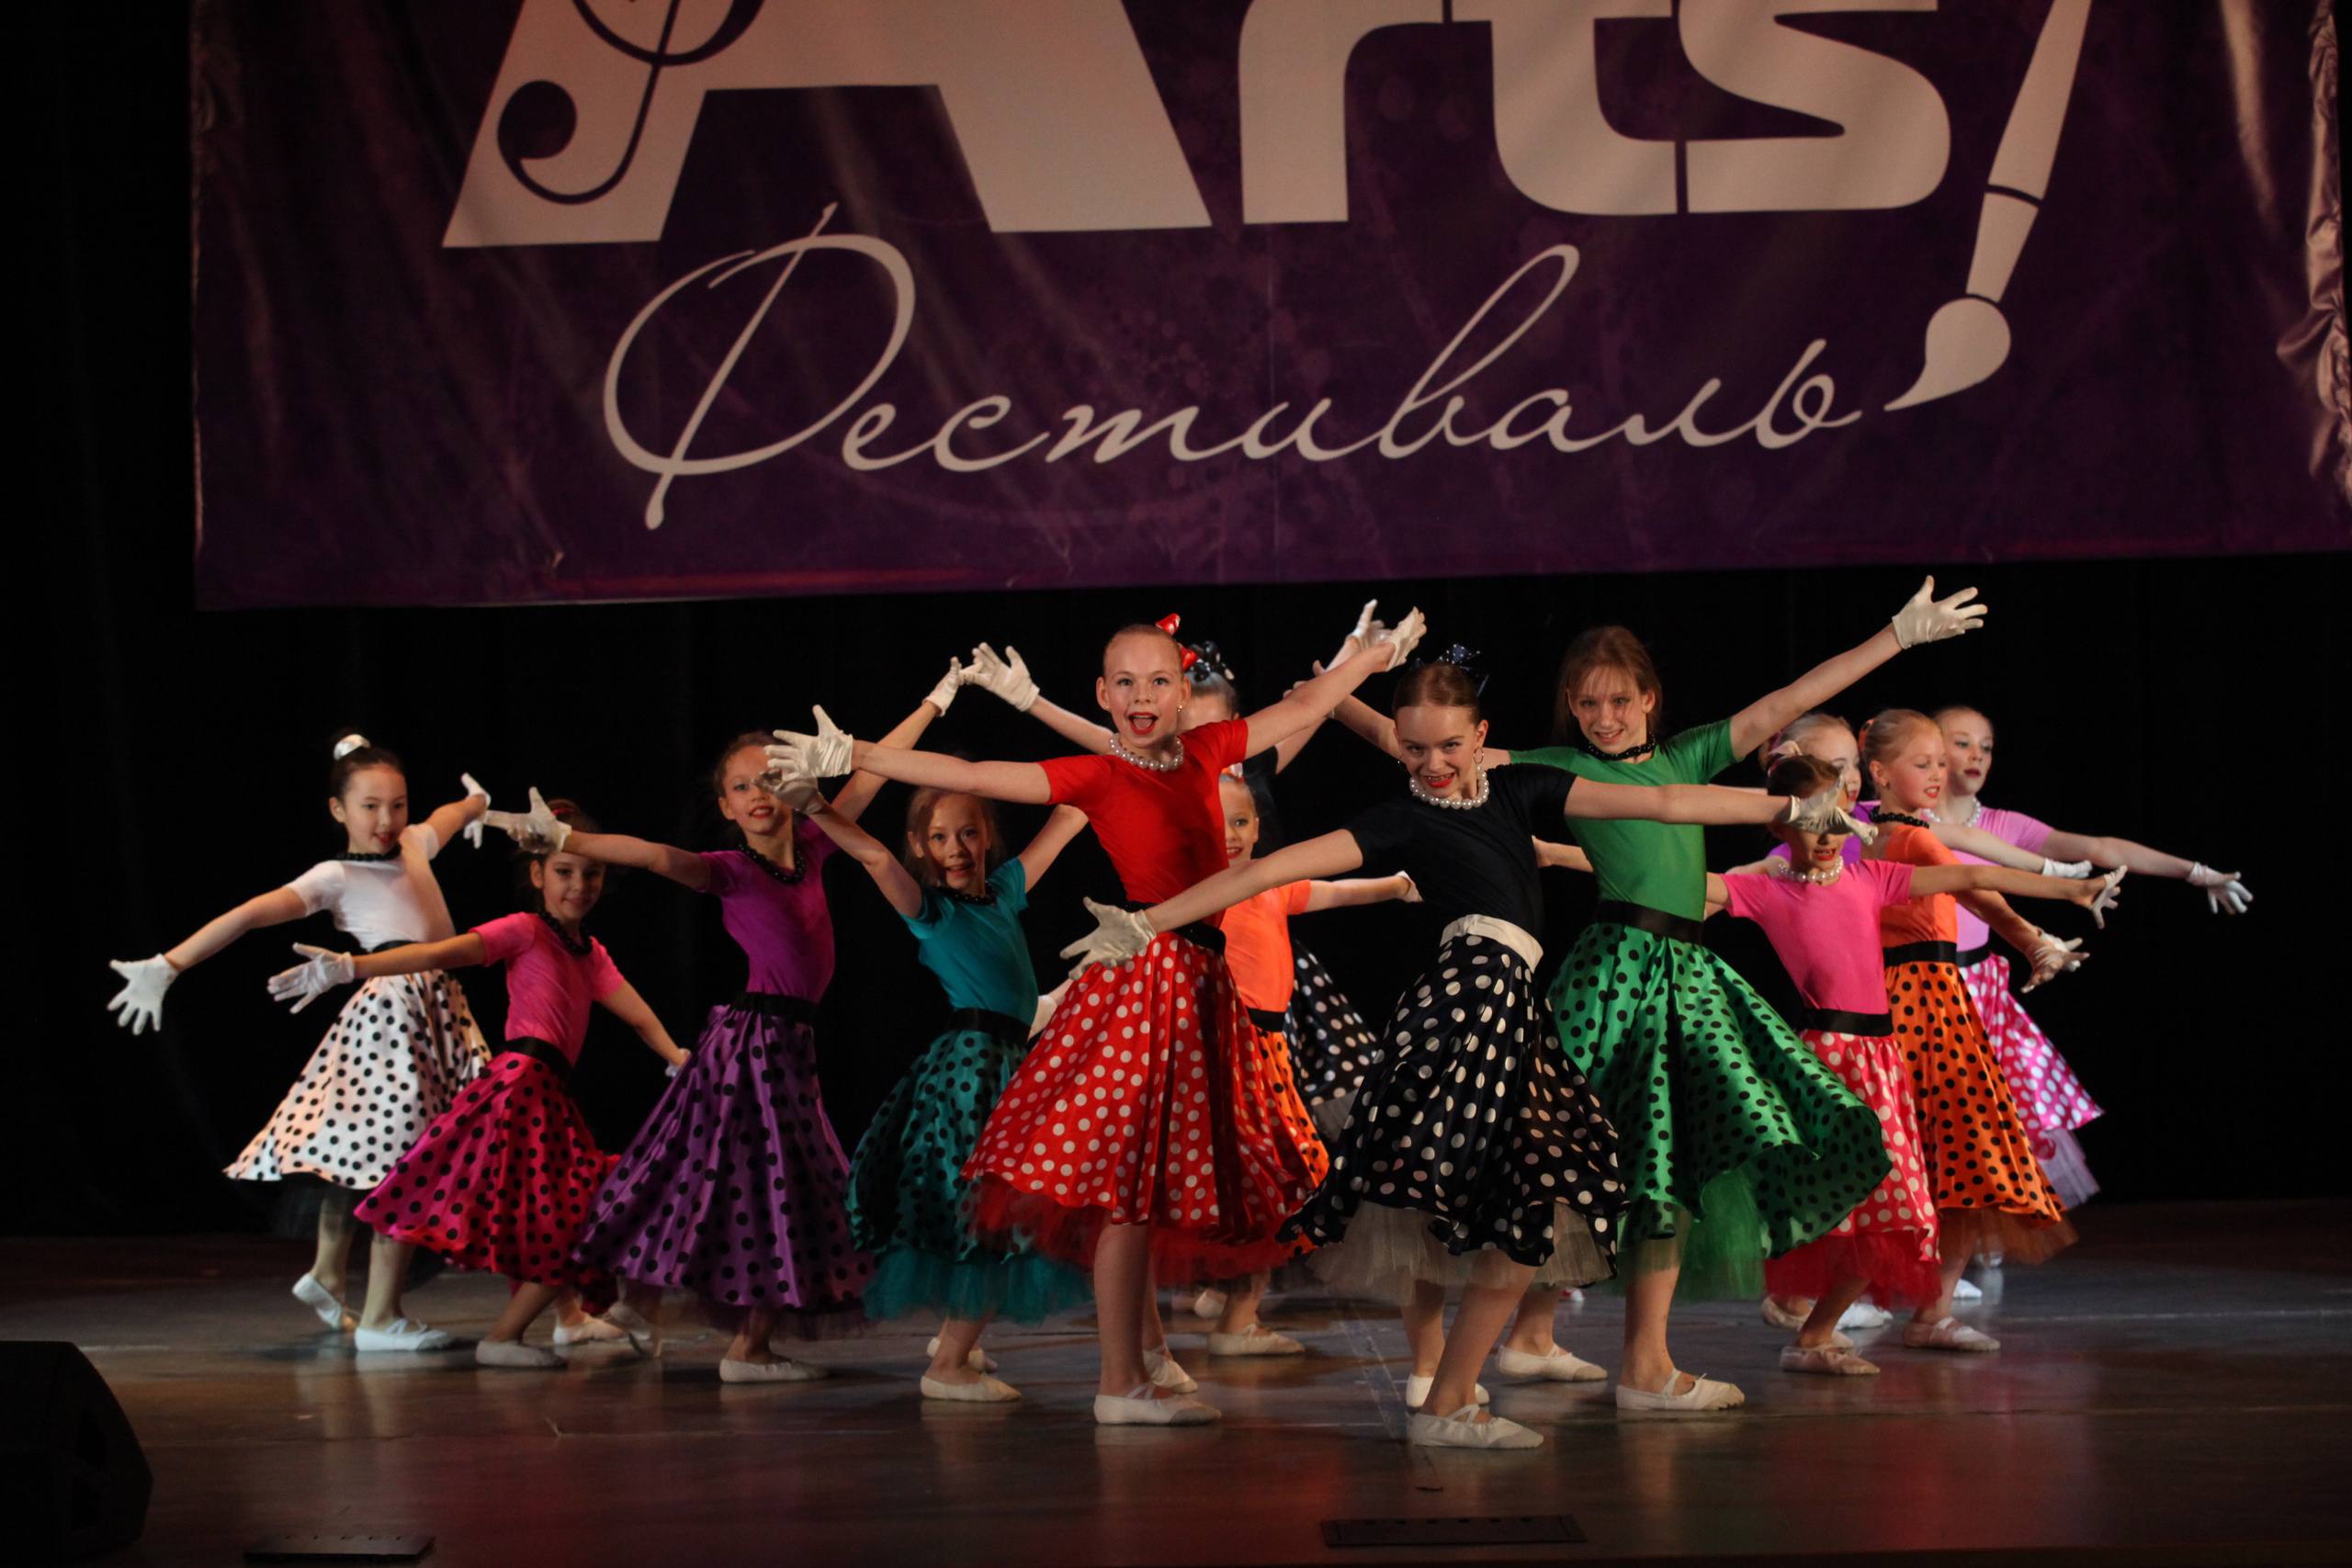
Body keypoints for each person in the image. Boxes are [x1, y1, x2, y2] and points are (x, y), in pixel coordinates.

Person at [1061, 659, 1868, 1448]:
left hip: (1511, 1006)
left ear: (1481, 736)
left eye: (1449, 745)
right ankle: (1444, 1392)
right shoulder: (1403, 818)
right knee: (1496, 1200)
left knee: (1532, 1204)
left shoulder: (1521, 789)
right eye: (1414, 749)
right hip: (1467, 1005)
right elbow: (1268, 869)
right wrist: (1150, 920)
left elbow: (1662, 799)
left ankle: (1450, 1392)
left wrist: (1793, 807)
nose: (1433, 763)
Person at [1330, 578, 1986, 1413]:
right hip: (1613, 975)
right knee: (1560, 1161)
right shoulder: (1562, 768)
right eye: (1587, 703)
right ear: (1570, 706)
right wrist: (1339, 689)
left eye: (1618, 700)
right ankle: (1526, 1336)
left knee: (1667, 1164)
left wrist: (1895, 635)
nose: (1604, 717)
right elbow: (1419, 745)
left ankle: (1640, 1360)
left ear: (1649, 698)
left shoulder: (1690, 756)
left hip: (1690, 977)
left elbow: (1787, 700)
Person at [763, 607, 1425, 1425]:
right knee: (1129, 1190)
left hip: (1201, 978)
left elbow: (1301, 707)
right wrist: (855, 755)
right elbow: (980, 775)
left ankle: (1143, 1360)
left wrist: (1372, 659)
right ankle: (1121, 1382)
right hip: (1153, 976)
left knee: (1148, 1187)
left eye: (1158, 681)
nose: (1142, 696)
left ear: (1182, 693)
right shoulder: (1099, 775)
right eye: (1126, 683)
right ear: (1103, 694)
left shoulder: (1207, 749)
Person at [488, 686, 954, 1381]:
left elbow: (877, 769)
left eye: (770, 778)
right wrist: (567, 840)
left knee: (748, 1188)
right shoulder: (729, 871)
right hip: (754, 1045)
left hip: (785, 1044)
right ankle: (734, 1343)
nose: (759, 793)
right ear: (727, 806)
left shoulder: (817, 842)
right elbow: (652, 855)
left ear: (795, 781)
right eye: (742, 787)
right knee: (776, 1188)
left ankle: (681, 1322)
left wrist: (935, 702)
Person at [1712, 752, 2120, 1374]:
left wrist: (2072, 889)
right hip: (1827, 1061)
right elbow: (1676, 888)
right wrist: (1564, 852)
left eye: (1836, 818)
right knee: (1841, 1207)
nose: (1827, 834)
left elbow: (1966, 877)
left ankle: (1815, 1334)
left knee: (1903, 1214)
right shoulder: (1767, 889)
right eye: (1810, 822)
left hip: (1882, 1058)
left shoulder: (1871, 877)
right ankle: (1804, 1321)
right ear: (1780, 826)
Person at [270, 800, 691, 1370]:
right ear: (538, 875)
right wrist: (350, 967)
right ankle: (501, 1337)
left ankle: (567, 1320)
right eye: (564, 872)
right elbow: (441, 952)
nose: (579, 885)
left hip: (548, 1092)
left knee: (546, 1212)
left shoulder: (589, 953)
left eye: (591, 873)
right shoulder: (524, 931)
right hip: (519, 1086)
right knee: (569, 1211)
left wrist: (677, 1057)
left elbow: (639, 1016)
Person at [104, 733, 492, 1349]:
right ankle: (380, 1319)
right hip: (394, 1018)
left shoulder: (415, 842)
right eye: (370, 807)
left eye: (397, 805)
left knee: (361, 1148)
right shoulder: (335, 875)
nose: (387, 820)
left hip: (441, 1010)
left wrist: (478, 806)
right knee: (402, 1158)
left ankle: (327, 1273)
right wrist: (170, 963)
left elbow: (448, 814)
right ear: (338, 809)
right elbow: (250, 913)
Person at [811, 778, 1094, 1402]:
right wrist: (814, 805)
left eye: (968, 832)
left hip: (1008, 1060)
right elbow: (875, 858)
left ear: (987, 834)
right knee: (997, 1213)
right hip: (973, 1071)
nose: (957, 848)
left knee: (990, 1209)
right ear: (920, 845)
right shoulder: (932, 911)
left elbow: (1069, 818)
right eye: (939, 837)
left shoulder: (1006, 890)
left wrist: (1124, 764)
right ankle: (948, 1364)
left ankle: (952, 1339)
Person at [1932, 704, 2253, 1206]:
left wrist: (2194, 872)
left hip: (1977, 990)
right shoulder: (1897, 823)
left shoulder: (2001, 824)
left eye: (1987, 747)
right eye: (1962, 743)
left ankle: (1971, 1233)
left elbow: (2101, 849)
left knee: (1985, 1124)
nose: (1977, 755)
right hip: (1913, 986)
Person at [1860, 709, 2083, 1353]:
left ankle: (1910, 1307)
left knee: (1919, 1158)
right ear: (1881, 773)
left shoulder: (1870, 835)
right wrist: (2037, 933)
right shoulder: (1910, 838)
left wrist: (2048, 901)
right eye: (1923, 763)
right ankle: (1921, 1310)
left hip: (1899, 998)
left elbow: (1985, 866)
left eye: (1942, 762)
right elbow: (1981, 885)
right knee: (1967, 1156)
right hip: (1928, 1004)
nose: (1939, 774)